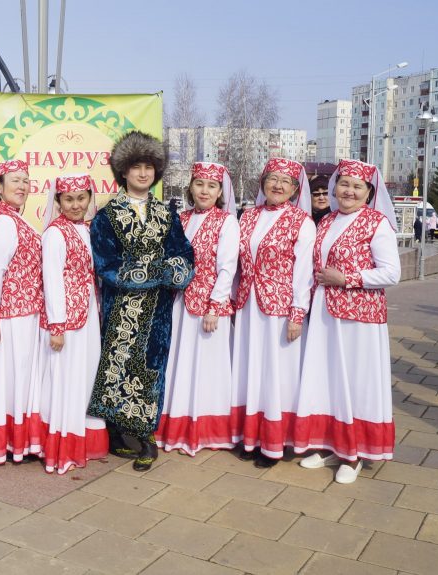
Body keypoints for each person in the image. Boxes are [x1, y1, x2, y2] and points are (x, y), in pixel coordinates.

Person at [88, 131, 195, 472]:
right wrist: (158, 270)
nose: (143, 174)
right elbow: (106, 263)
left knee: (150, 369)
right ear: (124, 172)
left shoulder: (168, 213)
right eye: (136, 167)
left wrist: (172, 271)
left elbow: (184, 255)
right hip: (121, 308)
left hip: (158, 311)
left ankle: (147, 437)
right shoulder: (107, 216)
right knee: (116, 367)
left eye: (149, 167)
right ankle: (118, 435)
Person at [292, 159, 401, 484]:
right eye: (344, 184)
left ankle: (353, 454)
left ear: (369, 192)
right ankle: (331, 444)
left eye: (357, 186)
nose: (349, 191)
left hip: (360, 318)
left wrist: (347, 278)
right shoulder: (326, 222)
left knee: (355, 381)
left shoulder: (376, 223)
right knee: (329, 380)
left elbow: (391, 272)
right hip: (326, 314)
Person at [230, 157, 315, 468]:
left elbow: (305, 272)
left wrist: (297, 313)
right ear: (263, 182)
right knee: (252, 368)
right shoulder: (248, 217)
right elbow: (239, 263)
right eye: (272, 179)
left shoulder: (302, 222)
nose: (278, 186)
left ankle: (274, 443)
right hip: (249, 305)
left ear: (295, 189)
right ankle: (250, 437)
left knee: (277, 372)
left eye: (286, 182)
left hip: (279, 309)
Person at [156, 162, 240, 457]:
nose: (204, 191)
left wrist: (216, 306)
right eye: (200, 184)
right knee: (180, 363)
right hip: (179, 303)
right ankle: (175, 427)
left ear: (220, 192)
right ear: (191, 186)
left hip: (207, 307)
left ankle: (203, 430)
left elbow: (227, 267)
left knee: (205, 367)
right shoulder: (179, 218)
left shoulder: (226, 221)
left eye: (211, 186)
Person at [36, 174, 109, 473]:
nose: (76, 204)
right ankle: (64, 447)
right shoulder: (55, 233)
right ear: (58, 201)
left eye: (81, 198)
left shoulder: (87, 230)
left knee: (86, 374)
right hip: (67, 319)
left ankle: (85, 440)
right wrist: (57, 326)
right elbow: (52, 280)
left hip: (89, 315)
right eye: (69, 199)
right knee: (67, 378)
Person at [0, 159, 45, 463]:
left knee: (19, 375)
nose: (21, 186)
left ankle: (17, 440)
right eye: (15, 180)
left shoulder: (14, 218)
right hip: (11, 315)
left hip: (25, 312)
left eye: (25, 180)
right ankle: (8, 441)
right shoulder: (4, 221)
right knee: (10, 376)